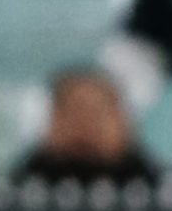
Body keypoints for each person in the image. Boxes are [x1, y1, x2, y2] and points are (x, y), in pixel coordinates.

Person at [18, 68, 156, 185]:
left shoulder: (155, 190)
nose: (86, 124)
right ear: (54, 120)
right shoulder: (23, 187)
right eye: (75, 111)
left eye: (97, 113)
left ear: (121, 121)